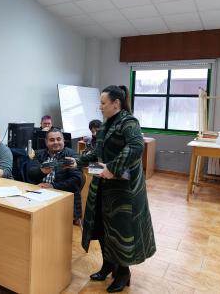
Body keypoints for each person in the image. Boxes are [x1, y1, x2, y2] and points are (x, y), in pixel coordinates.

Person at [68, 85, 156, 293]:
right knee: (103, 226)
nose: (100, 107)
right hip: (103, 186)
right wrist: (78, 161)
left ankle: (123, 272)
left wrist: (114, 167)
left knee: (122, 230)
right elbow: (97, 153)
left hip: (123, 190)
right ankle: (108, 264)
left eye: (103, 103)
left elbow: (135, 146)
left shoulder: (129, 122)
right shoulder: (108, 124)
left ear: (116, 104)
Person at [28, 128, 83, 221]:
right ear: (46, 142)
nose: (56, 142)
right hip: (40, 196)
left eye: (58, 139)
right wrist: (41, 171)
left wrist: (53, 186)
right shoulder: (39, 154)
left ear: (63, 141)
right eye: (52, 140)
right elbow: (30, 174)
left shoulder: (72, 155)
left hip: (62, 199)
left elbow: (76, 180)